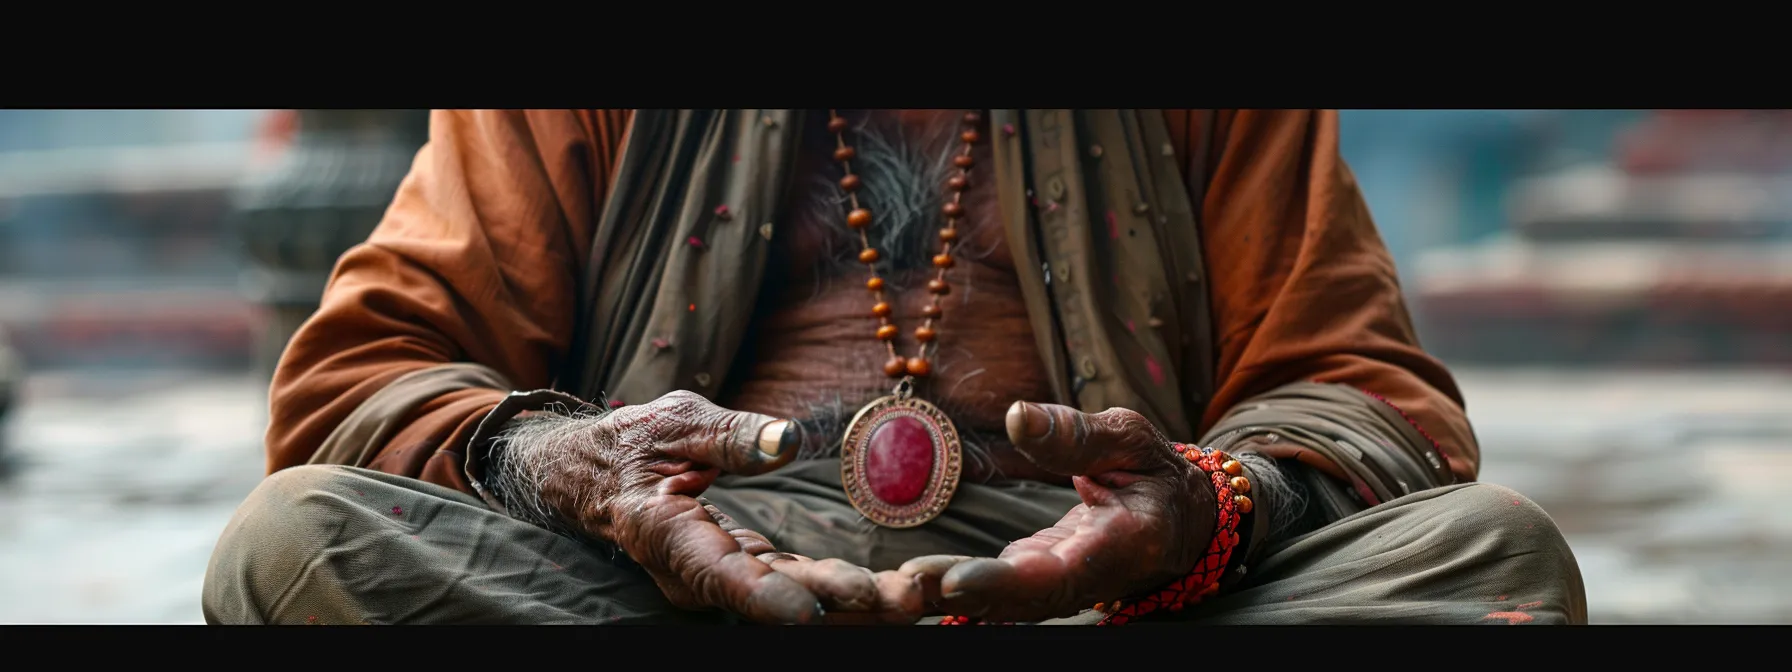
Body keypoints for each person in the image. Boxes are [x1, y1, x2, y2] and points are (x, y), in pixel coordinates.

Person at [202, 109, 1587, 625]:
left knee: (1493, 559)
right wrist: (578, 466)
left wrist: (1208, 511)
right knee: (294, 544)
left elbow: (1363, 392)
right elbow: (358, 377)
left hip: (1102, 608)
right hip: (679, 601)